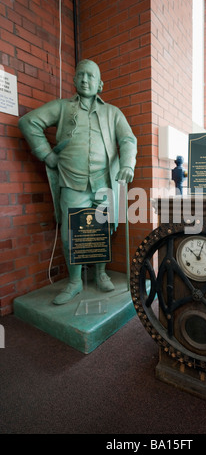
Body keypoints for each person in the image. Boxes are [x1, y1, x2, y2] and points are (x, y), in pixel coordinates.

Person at [18, 59, 137, 305]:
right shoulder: (62, 108)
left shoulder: (112, 112)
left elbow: (128, 140)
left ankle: (100, 273)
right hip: (72, 182)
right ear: (74, 80)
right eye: (80, 75)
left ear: (100, 84)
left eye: (90, 76)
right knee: (70, 233)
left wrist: (127, 164)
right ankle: (74, 281)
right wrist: (46, 154)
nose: (85, 79)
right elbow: (28, 122)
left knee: (101, 230)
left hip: (104, 182)